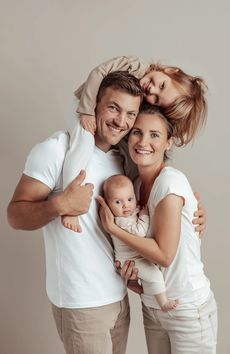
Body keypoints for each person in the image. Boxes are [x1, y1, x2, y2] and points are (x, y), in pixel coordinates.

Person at [7, 71, 206, 354]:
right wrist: (60, 205)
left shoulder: (123, 160)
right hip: (81, 303)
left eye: (130, 114)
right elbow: (15, 215)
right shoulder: (56, 150)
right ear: (95, 105)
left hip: (119, 297)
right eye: (113, 108)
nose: (120, 121)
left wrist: (193, 213)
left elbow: (146, 215)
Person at [97, 103, 217, 354]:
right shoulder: (135, 185)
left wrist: (114, 228)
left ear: (169, 142)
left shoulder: (170, 182)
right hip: (153, 306)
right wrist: (131, 276)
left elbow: (164, 254)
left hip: (186, 308)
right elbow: (146, 255)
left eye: (155, 135)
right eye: (137, 132)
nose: (143, 141)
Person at [62, 55, 208, 231]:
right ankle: (70, 205)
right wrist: (86, 111)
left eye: (156, 99)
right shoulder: (135, 66)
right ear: (170, 71)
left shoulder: (128, 155)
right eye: (162, 85)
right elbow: (99, 72)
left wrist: (186, 204)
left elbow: (153, 165)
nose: (152, 91)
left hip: (119, 251)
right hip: (83, 106)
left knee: (135, 164)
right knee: (83, 143)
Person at [103, 174, 179, 311]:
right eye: (118, 202)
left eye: (129, 199)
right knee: (155, 274)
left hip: (134, 256)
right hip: (130, 259)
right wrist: (144, 216)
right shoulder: (120, 221)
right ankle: (164, 303)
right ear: (108, 204)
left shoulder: (128, 213)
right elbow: (139, 232)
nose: (126, 205)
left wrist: (137, 211)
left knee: (150, 273)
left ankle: (133, 284)